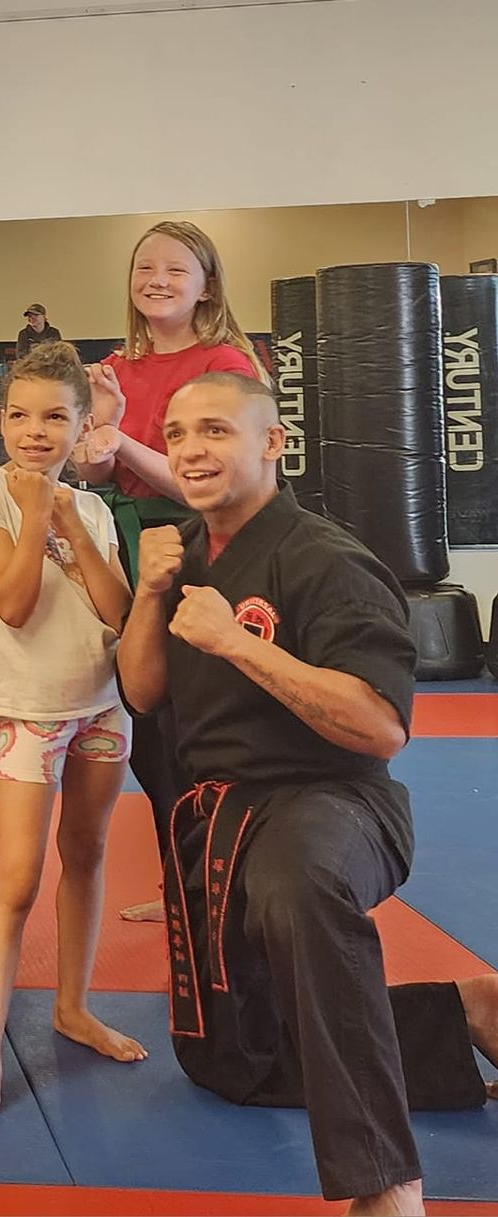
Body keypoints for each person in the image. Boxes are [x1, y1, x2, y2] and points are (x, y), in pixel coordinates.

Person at [117, 372, 498, 1214]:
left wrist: (239, 645)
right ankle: (464, 1012)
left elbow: (380, 726)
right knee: (233, 1063)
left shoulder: (326, 558)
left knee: (299, 886)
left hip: (334, 801)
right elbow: (144, 693)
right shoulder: (182, 553)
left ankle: (385, 1182)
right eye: (177, 434)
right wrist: (149, 596)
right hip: (221, 818)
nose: (191, 450)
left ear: (272, 443)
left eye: (215, 430)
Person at [0, 343, 144, 1139]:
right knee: (18, 876)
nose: (35, 429)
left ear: (81, 423)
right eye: (19, 415)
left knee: (87, 853)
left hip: (101, 707)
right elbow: (15, 604)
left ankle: (74, 1006)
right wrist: (33, 514)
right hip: (30, 714)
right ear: (0, 421)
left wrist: (68, 520)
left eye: (55, 415)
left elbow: (121, 613)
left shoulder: (90, 505)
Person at [70, 220, 265, 923]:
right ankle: (183, 884)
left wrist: (121, 439)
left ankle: (228, 881)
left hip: (210, 549)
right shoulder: (118, 367)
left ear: (206, 283)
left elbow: (208, 486)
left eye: (175, 269)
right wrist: (102, 428)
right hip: (135, 545)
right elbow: (92, 468)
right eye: (144, 267)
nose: (156, 279)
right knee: (151, 725)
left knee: (209, 720)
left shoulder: (227, 366)